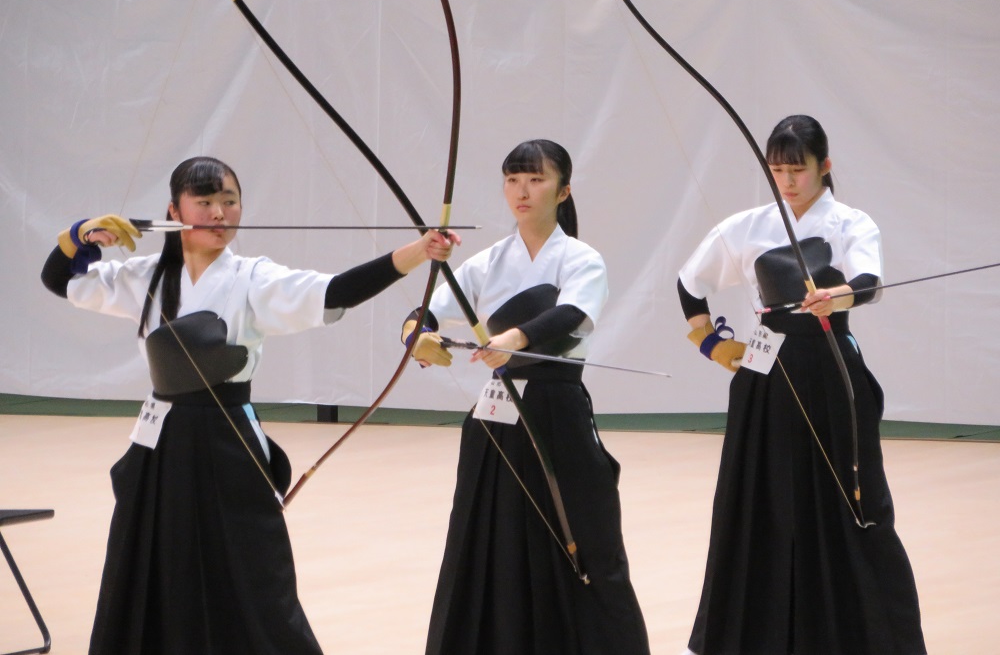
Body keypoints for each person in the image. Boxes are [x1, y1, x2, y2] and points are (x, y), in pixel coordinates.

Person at [40, 156, 456, 655]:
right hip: (161, 441)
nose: (220, 213)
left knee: (255, 573)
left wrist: (417, 252)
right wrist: (77, 236)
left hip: (227, 437)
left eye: (230, 200)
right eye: (206, 201)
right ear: (175, 209)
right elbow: (59, 278)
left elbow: (334, 292)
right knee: (155, 561)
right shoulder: (145, 275)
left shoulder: (253, 278)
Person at [677, 115, 925, 655]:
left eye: (799, 169)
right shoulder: (749, 224)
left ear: (825, 167)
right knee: (758, 500)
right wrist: (711, 344)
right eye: (778, 169)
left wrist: (836, 297)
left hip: (830, 365)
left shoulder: (851, 223)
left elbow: (868, 282)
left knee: (853, 500)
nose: (787, 181)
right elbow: (689, 282)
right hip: (766, 374)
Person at [403, 139, 650, 655]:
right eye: (514, 179)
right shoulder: (489, 261)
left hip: (556, 411)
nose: (523, 190)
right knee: (488, 536)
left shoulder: (581, 259)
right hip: (496, 417)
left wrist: (513, 339)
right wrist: (416, 336)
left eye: (536, 179)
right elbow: (426, 308)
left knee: (585, 531)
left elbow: (571, 315)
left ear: (563, 191)